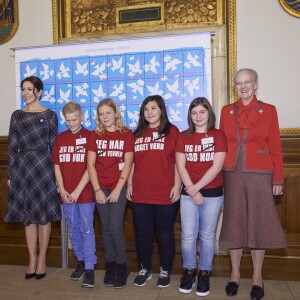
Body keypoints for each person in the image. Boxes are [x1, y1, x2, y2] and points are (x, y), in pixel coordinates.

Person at [219, 68, 287, 300]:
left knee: (258, 223)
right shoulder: (227, 111)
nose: (243, 86)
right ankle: (235, 275)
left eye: (247, 82)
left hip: (260, 173)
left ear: (256, 84)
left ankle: (257, 276)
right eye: (239, 83)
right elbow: (221, 147)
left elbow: (276, 146)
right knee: (234, 223)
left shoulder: (268, 110)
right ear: (235, 86)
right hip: (232, 173)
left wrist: (278, 178)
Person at [5, 76, 61, 280]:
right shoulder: (17, 115)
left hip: (43, 166)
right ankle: (32, 259)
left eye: (29, 89)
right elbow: (11, 147)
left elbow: (54, 148)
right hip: (22, 168)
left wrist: (57, 175)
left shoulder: (50, 116)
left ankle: (43, 259)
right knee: (28, 216)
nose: (25, 93)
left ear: (39, 92)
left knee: (43, 216)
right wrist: (11, 174)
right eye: (23, 89)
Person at [127, 95, 181, 288]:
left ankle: (165, 269)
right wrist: (130, 185)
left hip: (165, 192)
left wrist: (177, 185)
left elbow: (178, 162)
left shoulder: (172, 132)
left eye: (153, 108)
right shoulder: (137, 133)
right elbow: (132, 162)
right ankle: (145, 268)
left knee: (165, 233)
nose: (149, 112)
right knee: (142, 233)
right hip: (141, 192)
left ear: (161, 110)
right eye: (146, 109)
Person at [175, 97, 227, 297]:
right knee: (188, 235)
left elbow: (217, 166)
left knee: (206, 235)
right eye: (194, 112)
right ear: (190, 115)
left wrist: (196, 188)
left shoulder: (218, 135)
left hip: (212, 193)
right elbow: (180, 165)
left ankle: (204, 273)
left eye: (202, 112)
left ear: (209, 114)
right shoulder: (183, 136)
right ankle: (189, 271)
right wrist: (192, 190)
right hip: (188, 193)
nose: (198, 116)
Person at [87, 98, 134, 288]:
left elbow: (128, 164)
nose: (104, 117)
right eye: (101, 113)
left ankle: (122, 267)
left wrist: (116, 190)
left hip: (118, 188)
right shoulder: (95, 135)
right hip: (100, 187)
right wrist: (97, 190)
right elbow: (90, 165)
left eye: (108, 112)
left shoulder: (126, 134)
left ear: (116, 113)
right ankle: (110, 266)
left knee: (115, 227)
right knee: (105, 228)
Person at [52, 102, 97, 288]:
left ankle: (89, 268)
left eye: (75, 119)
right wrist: (62, 189)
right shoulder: (60, 139)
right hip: (66, 194)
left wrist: (78, 189)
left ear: (82, 117)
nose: (71, 123)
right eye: (68, 120)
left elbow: (90, 166)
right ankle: (80, 261)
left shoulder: (90, 137)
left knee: (87, 229)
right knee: (74, 228)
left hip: (85, 193)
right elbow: (56, 166)